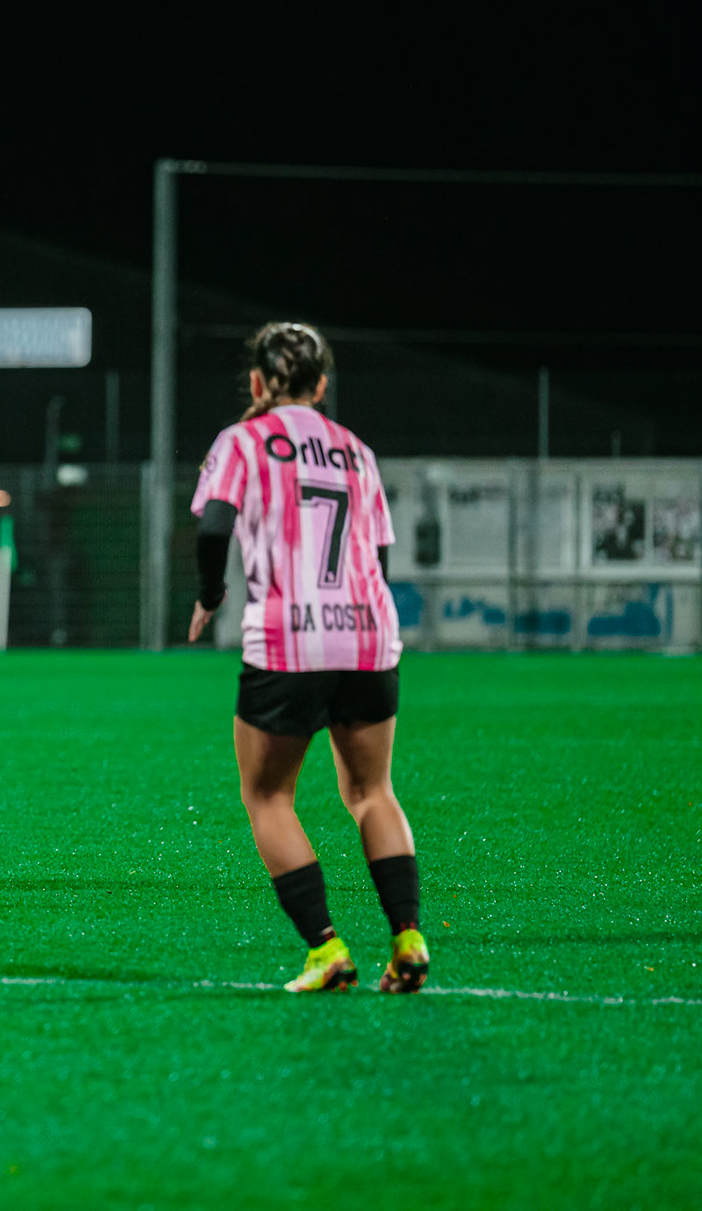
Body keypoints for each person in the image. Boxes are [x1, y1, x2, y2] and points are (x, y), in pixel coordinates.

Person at [187, 322, 429, 994]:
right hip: (369, 632)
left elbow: (213, 527)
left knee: (268, 795)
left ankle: (327, 949)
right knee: (371, 792)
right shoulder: (357, 451)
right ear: (322, 385)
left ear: (260, 384)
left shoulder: (242, 441)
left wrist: (211, 597)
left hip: (291, 635)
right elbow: (378, 557)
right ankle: (407, 939)